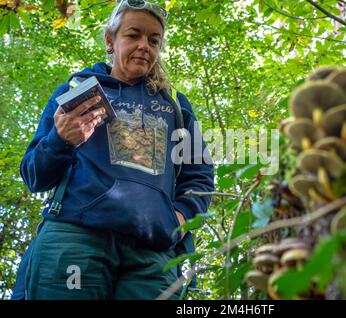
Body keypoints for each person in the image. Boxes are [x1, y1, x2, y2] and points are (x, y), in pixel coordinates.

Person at [11, 0, 214, 300]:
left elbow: (200, 177)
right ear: (110, 39)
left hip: (152, 254)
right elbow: (34, 176)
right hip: (75, 238)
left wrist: (178, 221)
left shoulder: (175, 106)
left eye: (153, 39)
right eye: (134, 35)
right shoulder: (74, 91)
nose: (144, 45)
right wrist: (61, 139)